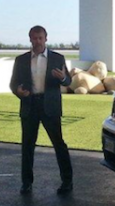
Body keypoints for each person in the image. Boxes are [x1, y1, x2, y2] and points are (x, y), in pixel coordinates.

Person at [10, 25, 73, 195]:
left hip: (50, 107)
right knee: (27, 146)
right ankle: (26, 183)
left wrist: (63, 78)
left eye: (40, 38)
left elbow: (68, 81)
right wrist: (18, 91)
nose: (37, 41)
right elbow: (13, 83)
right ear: (30, 39)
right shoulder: (21, 60)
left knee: (59, 144)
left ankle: (67, 181)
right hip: (30, 105)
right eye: (34, 38)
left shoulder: (57, 58)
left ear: (46, 39)